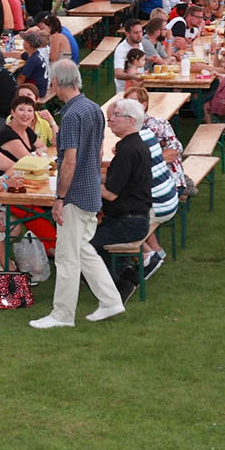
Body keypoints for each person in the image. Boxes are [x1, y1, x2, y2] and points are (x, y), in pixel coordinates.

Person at [31, 59, 128, 328]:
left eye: (51, 80)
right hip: (89, 192)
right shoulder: (93, 108)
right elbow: (97, 152)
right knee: (82, 249)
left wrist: (60, 198)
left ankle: (62, 315)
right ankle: (110, 301)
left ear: (59, 82)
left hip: (75, 196)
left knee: (67, 257)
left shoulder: (72, 115)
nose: (49, 85)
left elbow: (70, 160)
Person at [92, 99, 156, 300]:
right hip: (132, 217)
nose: (110, 119)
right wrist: (94, 175)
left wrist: (85, 183)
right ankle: (128, 276)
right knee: (91, 241)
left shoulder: (128, 150)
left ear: (130, 120)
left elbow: (110, 193)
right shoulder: (133, 145)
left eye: (116, 115)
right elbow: (116, 180)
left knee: (83, 248)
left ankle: (119, 287)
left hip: (128, 222)